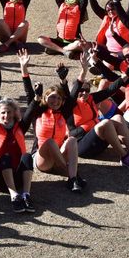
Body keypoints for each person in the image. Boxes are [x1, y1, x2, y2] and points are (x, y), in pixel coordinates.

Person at [18, 49, 85, 193]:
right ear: (45, 98)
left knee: (72, 140)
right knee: (50, 142)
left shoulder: (63, 112)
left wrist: (81, 71)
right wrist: (24, 68)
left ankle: (71, 178)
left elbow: (73, 93)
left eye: (59, 98)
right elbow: (29, 93)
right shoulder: (38, 111)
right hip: (42, 159)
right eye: (52, 97)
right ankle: (72, 176)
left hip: (59, 154)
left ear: (62, 102)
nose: (55, 101)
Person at [66, 53, 129, 169]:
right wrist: (83, 71)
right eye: (81, 90)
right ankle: (124, 157)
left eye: (87, 90)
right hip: (81, 147)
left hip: (97, 141)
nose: (84, 93)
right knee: (105, 123)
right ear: (75, 91)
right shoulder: (69, 104)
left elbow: (110, 90)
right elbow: (74, 133)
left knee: (117, 118)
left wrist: (127, 75)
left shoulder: (91, 98)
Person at [0, 78, 37, 213]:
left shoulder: (19, 127)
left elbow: (29, 114)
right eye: (3, 112)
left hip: (17, 177)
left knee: (27, 156)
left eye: (9, 112)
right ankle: (14, 196)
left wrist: (36, 98)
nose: (6, 115)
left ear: (14, 113)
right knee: (5, 157)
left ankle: (26, 195)